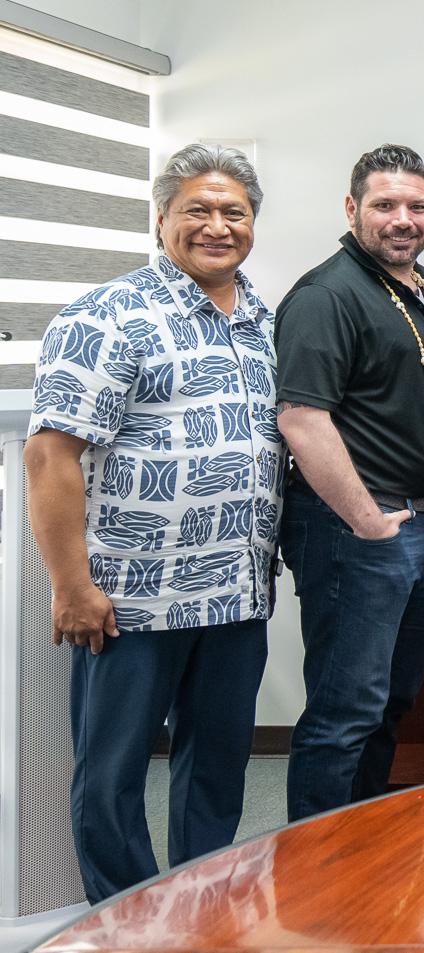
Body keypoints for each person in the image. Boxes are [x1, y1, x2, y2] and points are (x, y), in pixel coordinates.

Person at [24, 144, 279, 900]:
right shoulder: (108, 314)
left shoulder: (261, 318)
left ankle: (200, 912)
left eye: (233, 211)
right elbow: (49, 457)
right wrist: (71, 586)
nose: (217, 225)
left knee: (217, 771)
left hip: (235, 595)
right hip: (132, 600)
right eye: (197, 209)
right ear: (163, 215)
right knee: (113, 778)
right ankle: (127, 924)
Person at [274, 143, 424, 820]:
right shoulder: (328, 294)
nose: (403, 219)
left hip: (416, 526)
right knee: (343, 710)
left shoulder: (421, 285)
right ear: (353, 209)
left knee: (389, 702)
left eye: (417, 205)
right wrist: (366, 518)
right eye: (385, 205)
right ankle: (314, 869)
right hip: (356, 531)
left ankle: (361, 846)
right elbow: (301, 419)